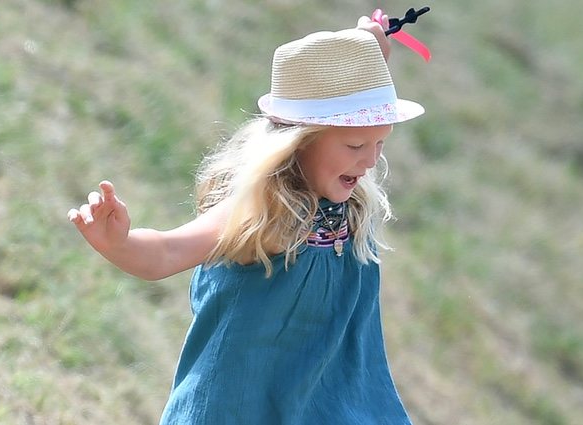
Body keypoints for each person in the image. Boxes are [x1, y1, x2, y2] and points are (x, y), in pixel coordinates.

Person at [67, 14, 424, 425]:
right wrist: (119, 244)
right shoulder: (267, 209)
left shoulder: (345, 210)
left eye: (381, 142)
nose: (371, 159)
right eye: (356, 144)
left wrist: (368, 49)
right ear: (296, 141)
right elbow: (168, 252)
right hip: (241, 408)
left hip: (330, 403)